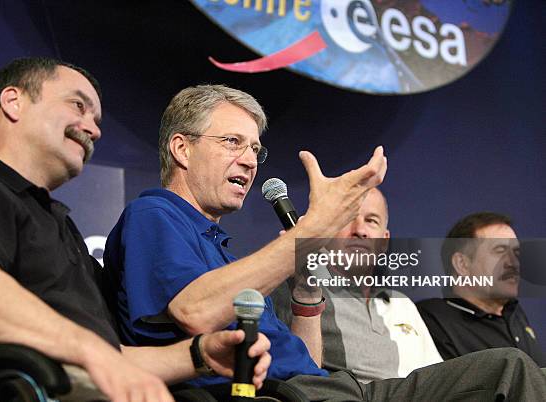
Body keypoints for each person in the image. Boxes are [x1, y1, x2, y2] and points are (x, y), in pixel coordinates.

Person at [105, 84, 546, 401]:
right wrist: (310, 231)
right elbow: (193, 311)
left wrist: (305, 295)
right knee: (507, 369)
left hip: (323, 390)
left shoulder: (217, 244)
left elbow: (307, 367)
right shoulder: (155, 214)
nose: (249, 160)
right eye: (232, 142)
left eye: (255, 149)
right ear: (182, 149)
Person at [0, 58, 271, 402]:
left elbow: (117, 359)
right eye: (78, 106)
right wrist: (93, 353)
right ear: (13, 102)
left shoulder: (61, 227)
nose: (93, 129)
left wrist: (200, 356)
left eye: (96, 121)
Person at [273, 188, 442, 383]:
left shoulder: (401, 303)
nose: (360, 231)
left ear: (384, 242)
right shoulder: (296, 291)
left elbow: (439, 378)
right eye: (348, 218)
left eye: (371, 221)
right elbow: (297, 379)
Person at [417, 212, 546, 366]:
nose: (514, 263)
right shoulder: (431, 320)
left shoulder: (514, 313)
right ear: (462, 264)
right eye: (500, 251)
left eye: (516, 253)